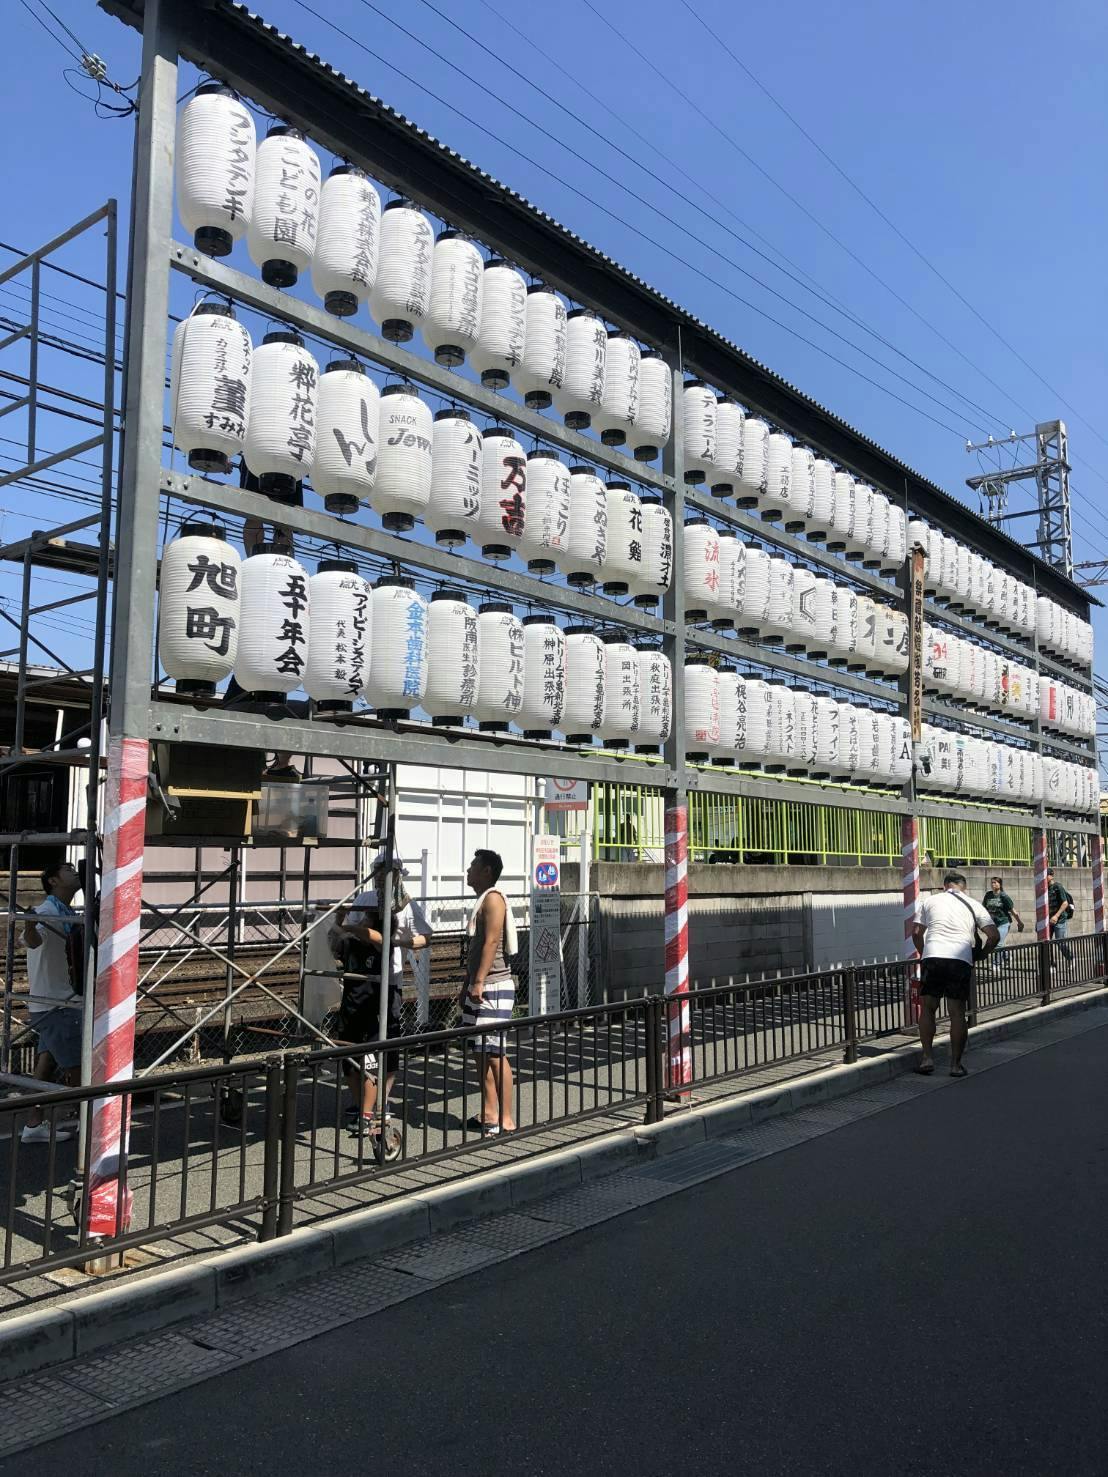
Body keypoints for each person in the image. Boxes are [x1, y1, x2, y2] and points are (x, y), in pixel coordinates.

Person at [330, 854, 431, 1136]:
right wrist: (344, 924)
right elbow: (348, 935)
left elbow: (425, 936)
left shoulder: (406, 904)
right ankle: (362, 1102)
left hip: (388, 981)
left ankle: (378, 1103)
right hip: (358, 977)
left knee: (382, 1044)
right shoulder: (365, 898)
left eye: (387, 872)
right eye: (377, 871)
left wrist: (400, 941)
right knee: (353, 1044)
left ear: (398, 875)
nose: (380, 877)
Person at [911, 871, 999, 1079]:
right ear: (963, 887)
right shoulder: (974, 904)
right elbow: (993, 936)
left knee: (928, 1009)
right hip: (960, 959)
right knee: (957, 1013)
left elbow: (916, 933)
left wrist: (924, 953)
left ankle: (927, 1059)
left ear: (945, 885)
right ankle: (955, 1066)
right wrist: (982, 954)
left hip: (933, 957)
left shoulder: (930, 901)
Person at [21, 861, 84, 1143]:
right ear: (53, 881)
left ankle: (33, 1125)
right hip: (57, 1005)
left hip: (58, 1002)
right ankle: (88, 1122)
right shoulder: (47, 912)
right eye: (68, 870)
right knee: (77, 1067)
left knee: (45, 1066)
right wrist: (30, 925)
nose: (75, 872)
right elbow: (32, 940)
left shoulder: (68, 913)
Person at [461, 849, 518, 1135]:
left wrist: (479, 981)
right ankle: (489, 1112)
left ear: (486, 871)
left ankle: (505, 1118)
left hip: (494, 985)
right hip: (481, 984)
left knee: (495, 1053)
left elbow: (492, 941)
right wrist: (470, 982)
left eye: (473, 865)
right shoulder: (482, 899)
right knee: (481, 1052)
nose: (468, 870)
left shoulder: (493, 898)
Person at [981, 876, 1024, 945]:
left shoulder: (1004, 896)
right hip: (993, 924)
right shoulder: (988, 895)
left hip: (1003, 922)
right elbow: (983, 909)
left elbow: (1013, 911)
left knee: (998, 943)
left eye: (995, 882)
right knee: (992, 943)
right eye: (992, 883)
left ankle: (1000, 952)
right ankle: (1005, 952)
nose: (993, 884)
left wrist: (1019, 922)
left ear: (1000, 884)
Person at [1046, 868, 1074, 962]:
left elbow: (1065, 903)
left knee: (1060, 943)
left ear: (1051, 876)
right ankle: (1051, 964)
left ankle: (1070, 959)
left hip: (1060, 920)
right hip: (1048, 920)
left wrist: (1056, 916)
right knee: (1046, 943)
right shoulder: (1043, 889)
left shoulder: (1058, 887)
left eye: (1046, 875)